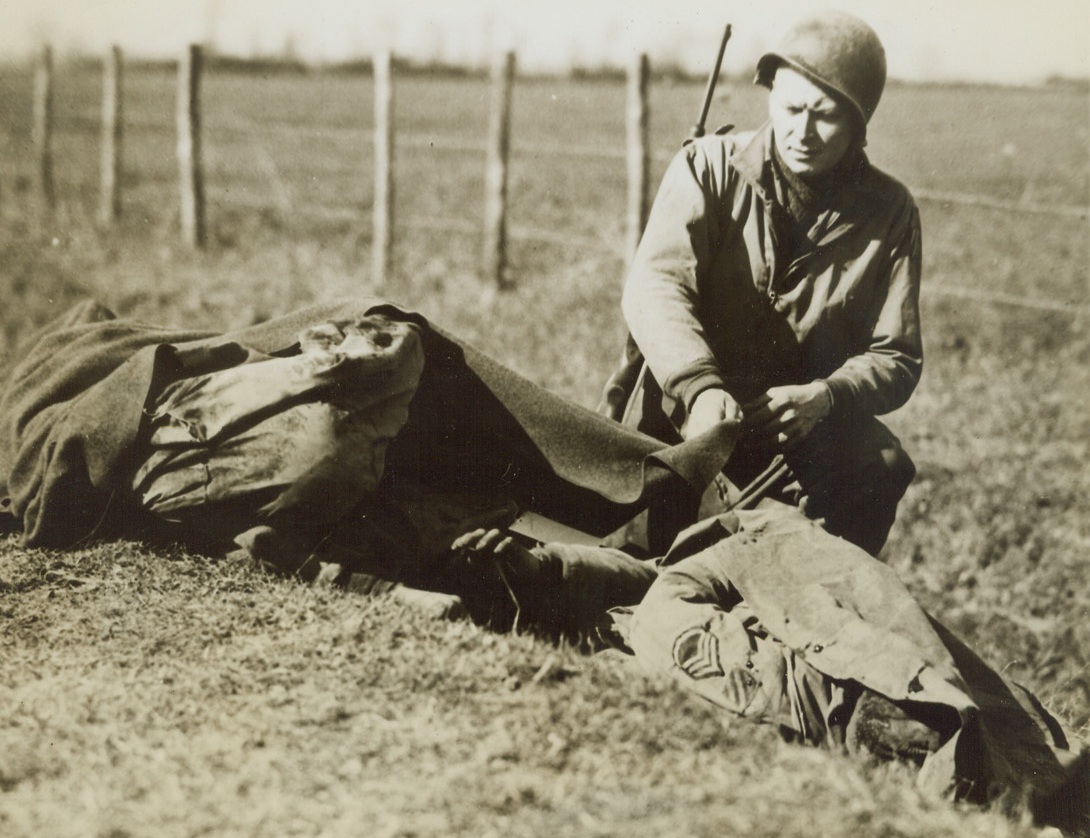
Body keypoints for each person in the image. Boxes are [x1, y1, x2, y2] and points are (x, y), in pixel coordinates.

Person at [453, 508, 1088, 833]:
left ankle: (946, 730)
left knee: (913, 675)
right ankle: (934, 733)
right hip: (721, 649)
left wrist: (546, 566)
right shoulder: (604, 661)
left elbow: (651, 572)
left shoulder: (673, 583)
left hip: (740, 574)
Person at [600, 11, 922, 557]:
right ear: (770, 94)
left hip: (796, 425)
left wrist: (827, 395)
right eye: (790, 107)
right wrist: (700, 388)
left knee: (882, 465)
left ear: (859, 123)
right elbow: (655, 286)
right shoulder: (708, 168)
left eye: (825, 116)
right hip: (685, 411)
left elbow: (896, 355)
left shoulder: (890, 212)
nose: (802, 131)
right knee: (638, 568)